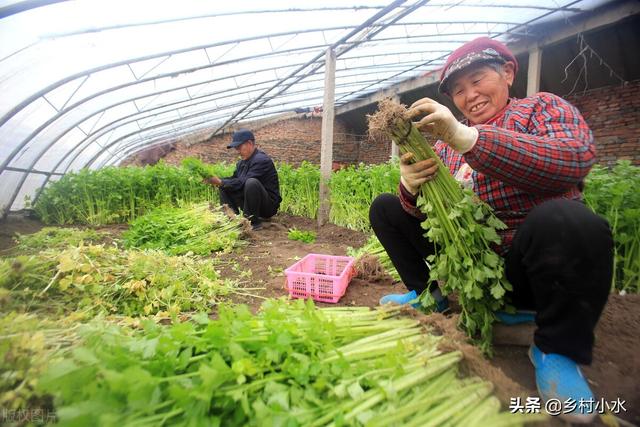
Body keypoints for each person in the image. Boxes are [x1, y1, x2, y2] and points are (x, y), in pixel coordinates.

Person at [369, 37, 613, 423]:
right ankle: (430, 296)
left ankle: (555, 350)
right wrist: (411, 186)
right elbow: (435, 214)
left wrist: (470, 139)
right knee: (386, 207)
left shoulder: (541, 109)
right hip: (473, 272)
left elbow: (573, 158)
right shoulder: (447, 144)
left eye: (478, 80)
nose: (470, 96)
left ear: (508, 73)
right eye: (459, 91)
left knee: (569, 219)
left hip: (528, 269)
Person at [204, 129, 281, 230]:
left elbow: (242, 183)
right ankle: (232, 218)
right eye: (236, 148)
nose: (237, 151)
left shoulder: (261, 160)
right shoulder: (241, 163)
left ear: (249, 143)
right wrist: (216, 181)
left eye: (239, 147)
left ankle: (252, 222)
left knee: (251, 183)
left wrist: (220, 182)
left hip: (267, 207)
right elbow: (234, 179)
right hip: (250, 202)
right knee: (225, 186)